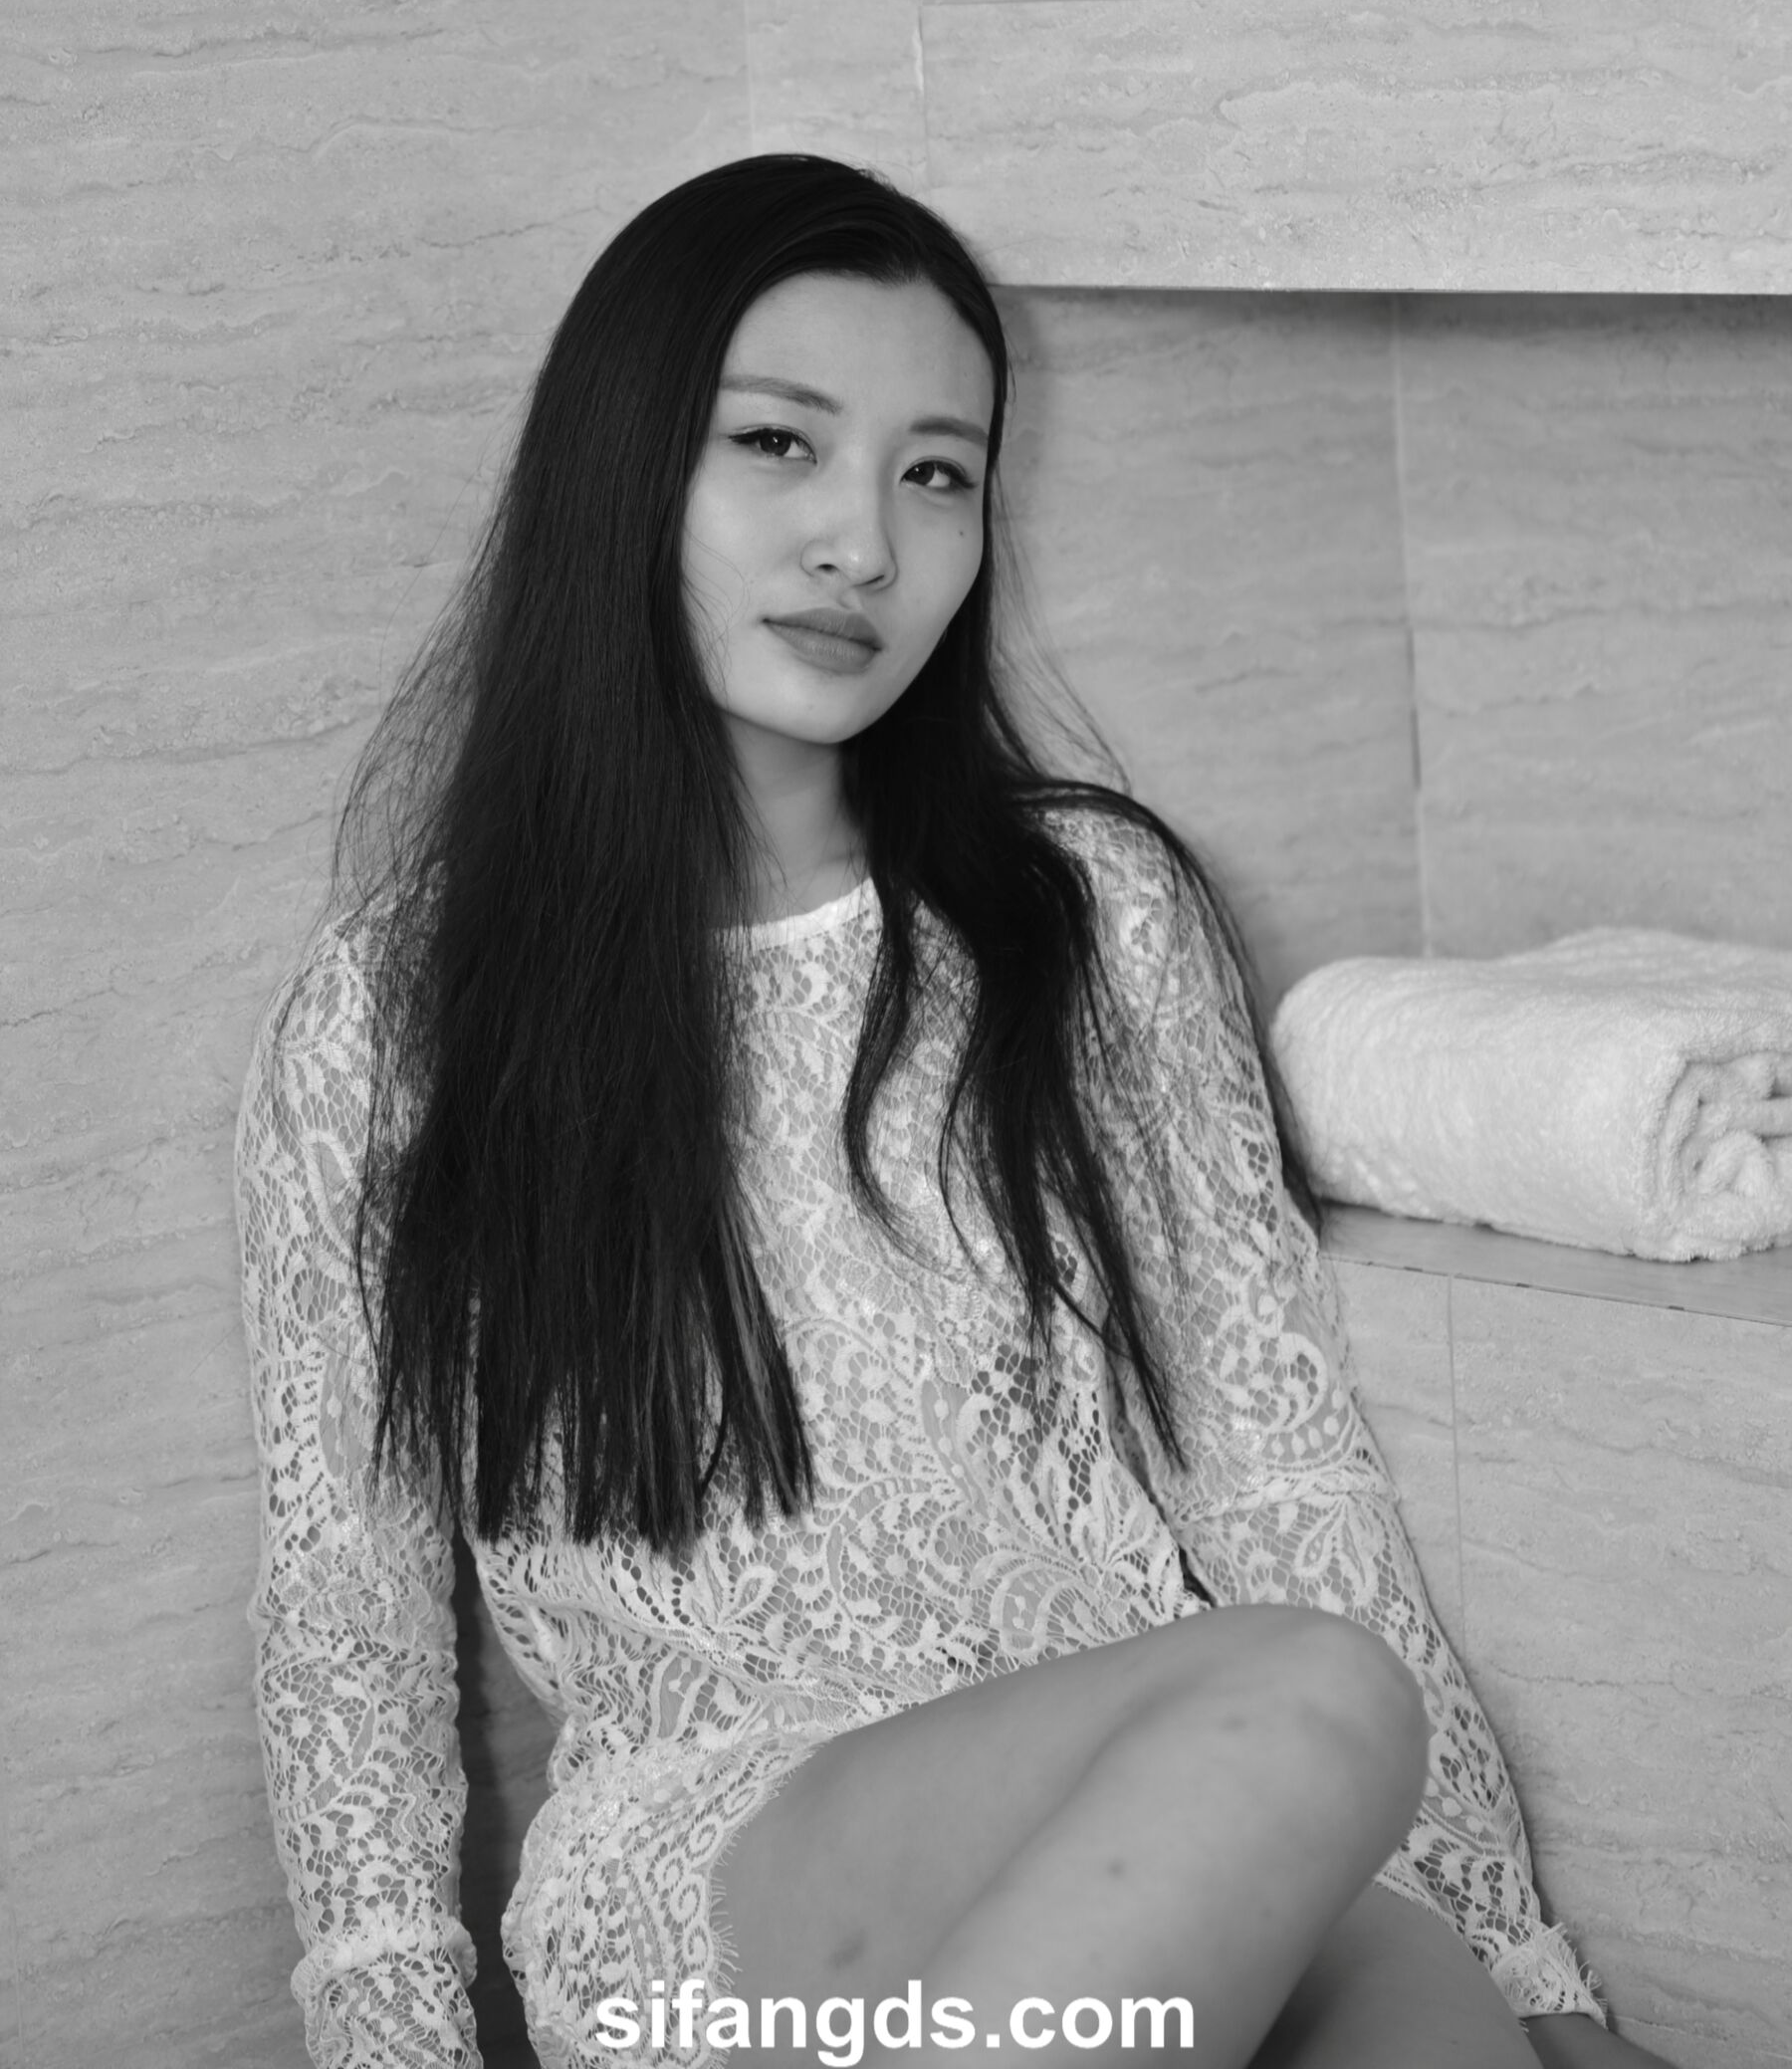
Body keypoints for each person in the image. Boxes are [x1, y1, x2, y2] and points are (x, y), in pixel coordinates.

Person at [236, 155, 1663, 2069]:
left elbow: (1281, 1477)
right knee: (1322, 1701)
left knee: (1434, 2012)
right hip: (725, 1883)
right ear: (622, 466)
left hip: (1156, 1813)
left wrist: (1529, 1974)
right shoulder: (397, 1014)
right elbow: (350, 1613)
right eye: (778, 444)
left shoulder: (1089, 919)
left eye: (936, 473)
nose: (863, 544)